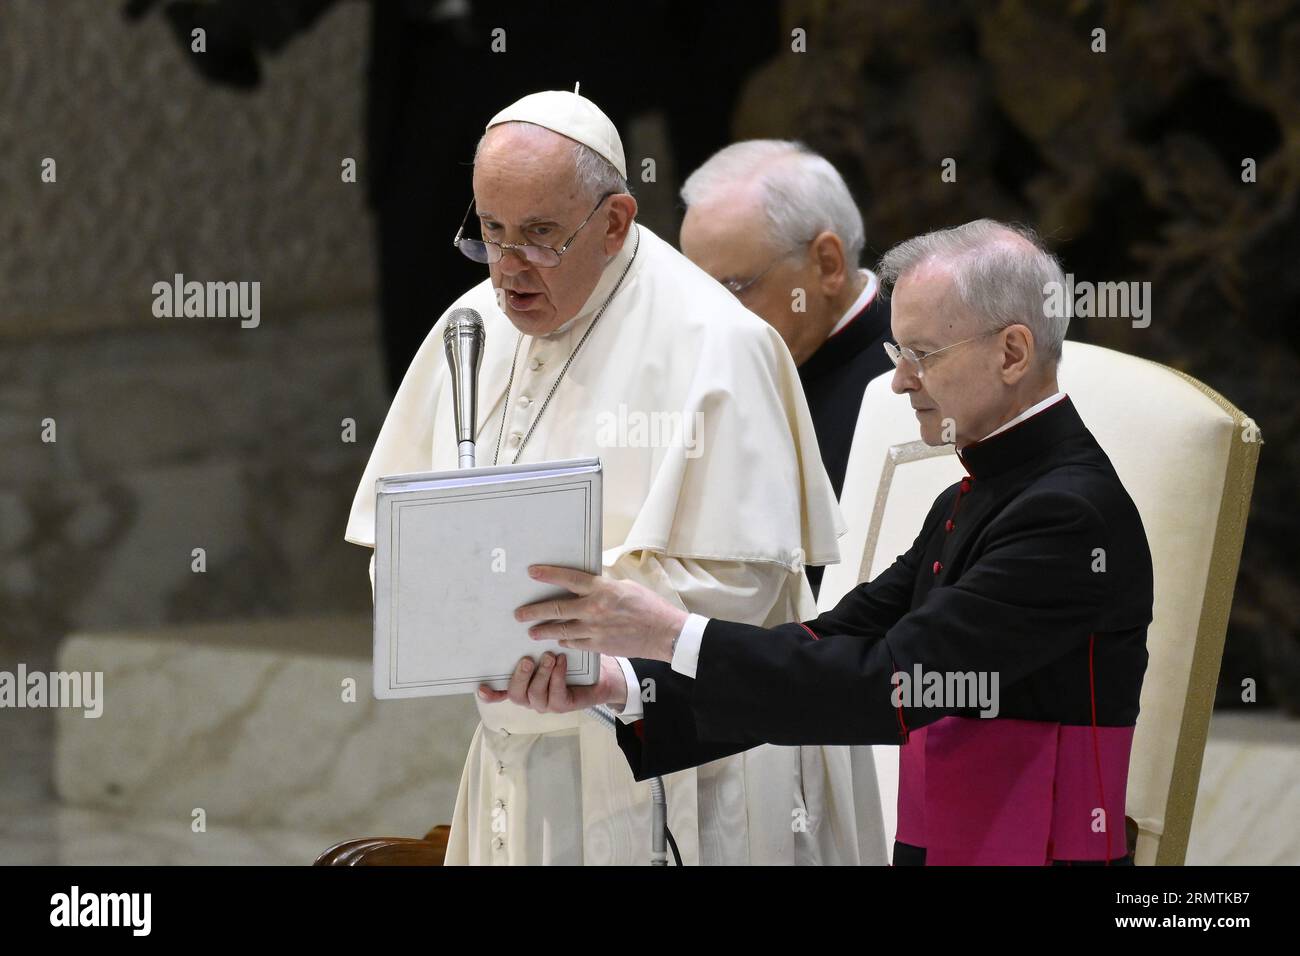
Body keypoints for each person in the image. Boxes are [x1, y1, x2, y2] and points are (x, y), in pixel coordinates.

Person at [498, 219, 1155, 866]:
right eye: (899, 355)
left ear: (1012, 353)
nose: (900, 382)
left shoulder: (1066, 518)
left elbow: (890, 685)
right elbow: (828, 641)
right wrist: (623, 683)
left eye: (920, 355)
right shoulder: (978, 494)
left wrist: (670, 633)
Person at [347, 89, 885, 865]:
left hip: (691, 762)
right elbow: (394, 544)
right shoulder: (470, 327)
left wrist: (573, 642)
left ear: (616, 221)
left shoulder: (717, 343)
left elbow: (746, 589)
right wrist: (454, 627)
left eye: (540, 237)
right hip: (522, 752)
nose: (509, 271)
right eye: (490, 234)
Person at [679, 141, 891, 504]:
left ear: (828, 263)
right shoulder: (705, 378)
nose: (709, 319)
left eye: (734, 287)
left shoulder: (916, 373)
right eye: (693, 290)